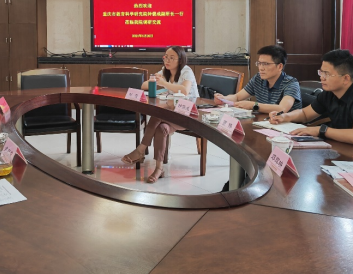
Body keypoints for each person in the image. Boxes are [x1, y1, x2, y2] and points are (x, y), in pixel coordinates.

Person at [269, 49, 353, 151]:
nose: (322, 78)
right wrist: (285, 117)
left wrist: (321, 130)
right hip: (347, 151)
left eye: (327, 74)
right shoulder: (330, 93)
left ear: (346, 78)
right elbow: (305, 114)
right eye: (321, 72)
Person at [121, 45, 198, 183]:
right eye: (166, 57)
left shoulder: (186, 71)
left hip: (187, 115)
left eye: (171, 58)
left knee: (158, 113)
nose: (167, 60)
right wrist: (153, 80)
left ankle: (140, 150)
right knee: (162, 128)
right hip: (170, 114)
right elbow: (144, 85)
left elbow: (184, 90)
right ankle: (159, 169)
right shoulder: (164, 71)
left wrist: (163, 83)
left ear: (180, 60)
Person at [213, 45, 302, 114]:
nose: (261, 68)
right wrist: (223, 99)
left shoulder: (291, 83)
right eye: (259, 63)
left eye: (266, 64)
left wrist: (254, 105)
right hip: (265, 122)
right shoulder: (258, 78)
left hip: (287, 127)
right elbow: (237, 97)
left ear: (280, 67)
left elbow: (282, 109)